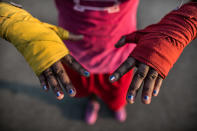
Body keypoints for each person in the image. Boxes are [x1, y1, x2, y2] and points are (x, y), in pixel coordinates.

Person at [0, 0, 196, 125]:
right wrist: (8, 16)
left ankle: (114, 105)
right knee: (86, 92)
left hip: (121, 60)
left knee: (118, 98)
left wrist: (182, 25)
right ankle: (93, 102)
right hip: (72, 58)